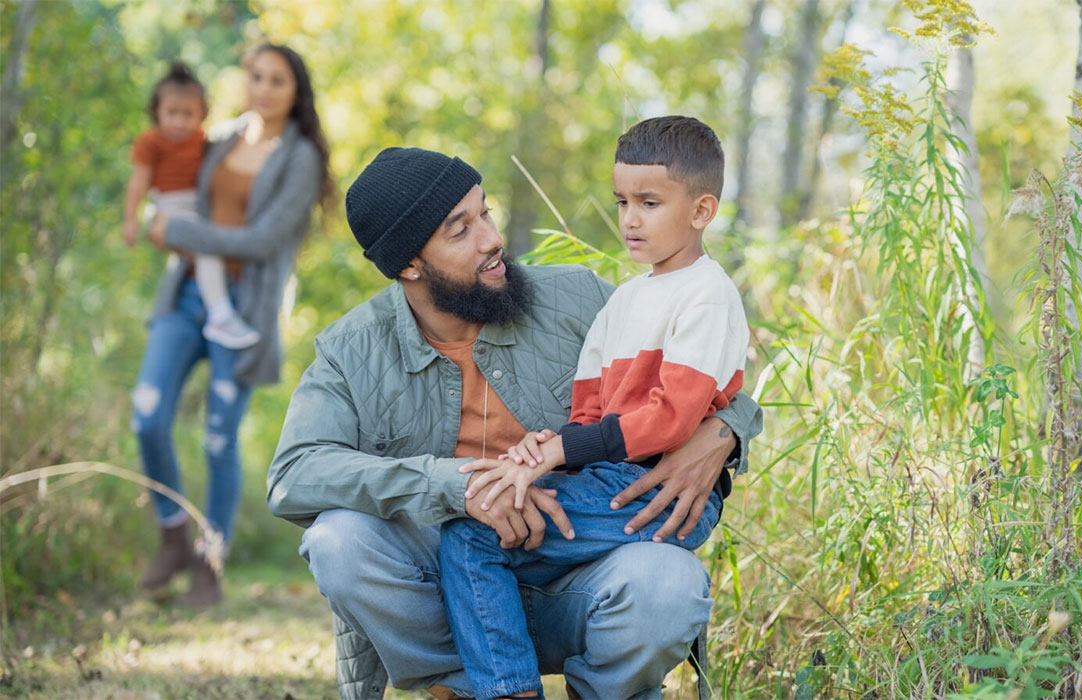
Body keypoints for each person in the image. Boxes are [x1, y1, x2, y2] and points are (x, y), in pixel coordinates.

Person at [267, 146, 761, 699]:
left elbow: (712, 367)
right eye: (461, 230)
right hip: (449, 591)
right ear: (409, 264)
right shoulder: (350, 350)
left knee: (670, 583)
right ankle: (466, 687)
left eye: (486, 213)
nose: (491, 239)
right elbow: (294, 473)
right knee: (338, 540)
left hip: (581, 569)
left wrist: (725, 432)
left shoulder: (579, 297)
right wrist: (457, 487)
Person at [437, 115, 748, 700]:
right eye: (622, 200)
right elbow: (588, 416)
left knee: (474, 541)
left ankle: (515, 689)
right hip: (607, 482)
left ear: (701, 211)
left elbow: (673, 421)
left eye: (650, 203)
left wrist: (559, 449)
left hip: (659, 491)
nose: (630, 219)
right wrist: (545, 456)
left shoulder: (708, 295)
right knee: (481, 528)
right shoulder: (626, 299)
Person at [133, 43, 332, 607]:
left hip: (244, 310)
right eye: (256, 76)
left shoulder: (299, 159)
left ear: (295, 92)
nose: (264, 88)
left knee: (219, 439)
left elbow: (260, 241)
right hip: (186, 293)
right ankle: (172, 534)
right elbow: (165, 188)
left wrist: (176, 231)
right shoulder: (217, 139)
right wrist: (152, 217)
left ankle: (210, 561)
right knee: (148, 417)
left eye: (277, 80)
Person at [123, 61, 260, 349]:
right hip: (166, 207)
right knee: (206, 247)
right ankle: (220, 313)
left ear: (202, 115)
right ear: (157, 112)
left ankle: (209, 309)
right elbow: (139, 181)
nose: (179, 122)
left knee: (205, 247)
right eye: (171, 113)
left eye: (188, 114)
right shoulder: (151, 142)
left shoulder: (202, 141)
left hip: (195, 208)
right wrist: (131, 220)